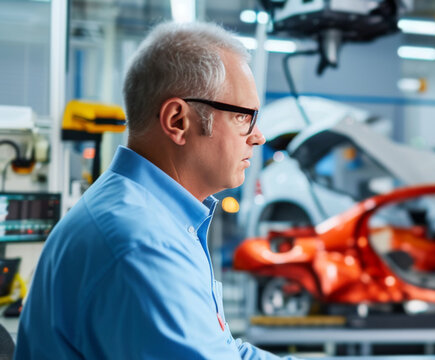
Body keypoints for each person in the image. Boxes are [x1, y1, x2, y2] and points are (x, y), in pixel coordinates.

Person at [16, 22, 292, 359]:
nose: (258, 135)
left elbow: (223, 350)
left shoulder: (160, 220)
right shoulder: (141, 244)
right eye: (243, 117)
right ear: (178, 121)